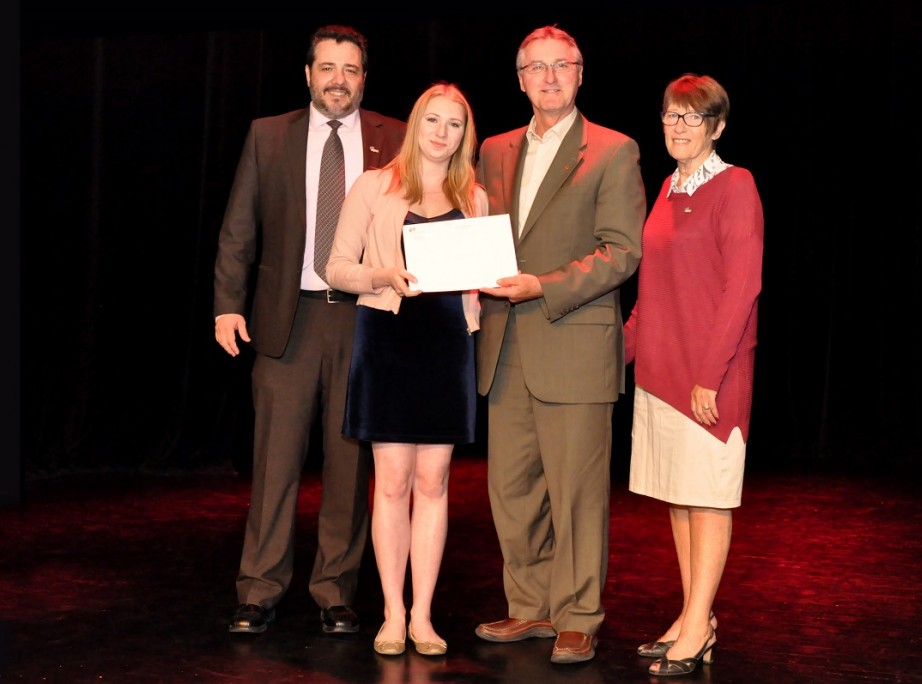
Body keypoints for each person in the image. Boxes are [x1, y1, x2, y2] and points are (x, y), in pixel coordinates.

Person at [213, 25, 406, 635]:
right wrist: (227, 304)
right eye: (327, 67)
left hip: (363, 319)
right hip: (286, 319)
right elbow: (239, 227)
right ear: (308, 74)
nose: (338, 80)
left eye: (350, 69)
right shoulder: (268, 135)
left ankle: (335, 591)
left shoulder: (395, 137)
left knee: (348, 467)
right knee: (274, 462)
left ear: (364, 78)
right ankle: (259, 588)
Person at [472, 25, 646, 665]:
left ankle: (578, 615)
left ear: (580, 74)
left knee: (576, 492)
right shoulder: (492, 149)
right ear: (519, 79)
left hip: (571, 340)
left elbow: (622, 251)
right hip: (504, 344)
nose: (548, 78)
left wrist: (541, 286)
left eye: (561, 66)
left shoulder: (613, 149)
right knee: (512, 488)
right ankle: (531, 607)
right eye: (535, 68)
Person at [325, 82, 487, 657]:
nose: (442, 134)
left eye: (455, 125)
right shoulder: (375, 186)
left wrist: (488, 278)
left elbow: (477, 279)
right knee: (391, 484)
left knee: (434, 483)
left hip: (447, 347)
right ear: (415, 125)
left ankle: (423, 616)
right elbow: (337, 267)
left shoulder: (476, 197)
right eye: (433, 121)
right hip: (389, 340)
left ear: (466, 135)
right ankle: (392, 615)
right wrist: (383, 276)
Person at [623, 73, 764, 677]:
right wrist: (617, 355)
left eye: (691, 117)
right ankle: (691, 617)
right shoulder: (667, 184)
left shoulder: (736, 186)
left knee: (707, 502)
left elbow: (743, 288)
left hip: (710, 377)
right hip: (661, 372)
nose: (677, 127)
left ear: (717, 126)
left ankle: (701, 622)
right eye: (670, 116)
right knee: (679, 501)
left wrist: (711, 372)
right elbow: (651, 290)